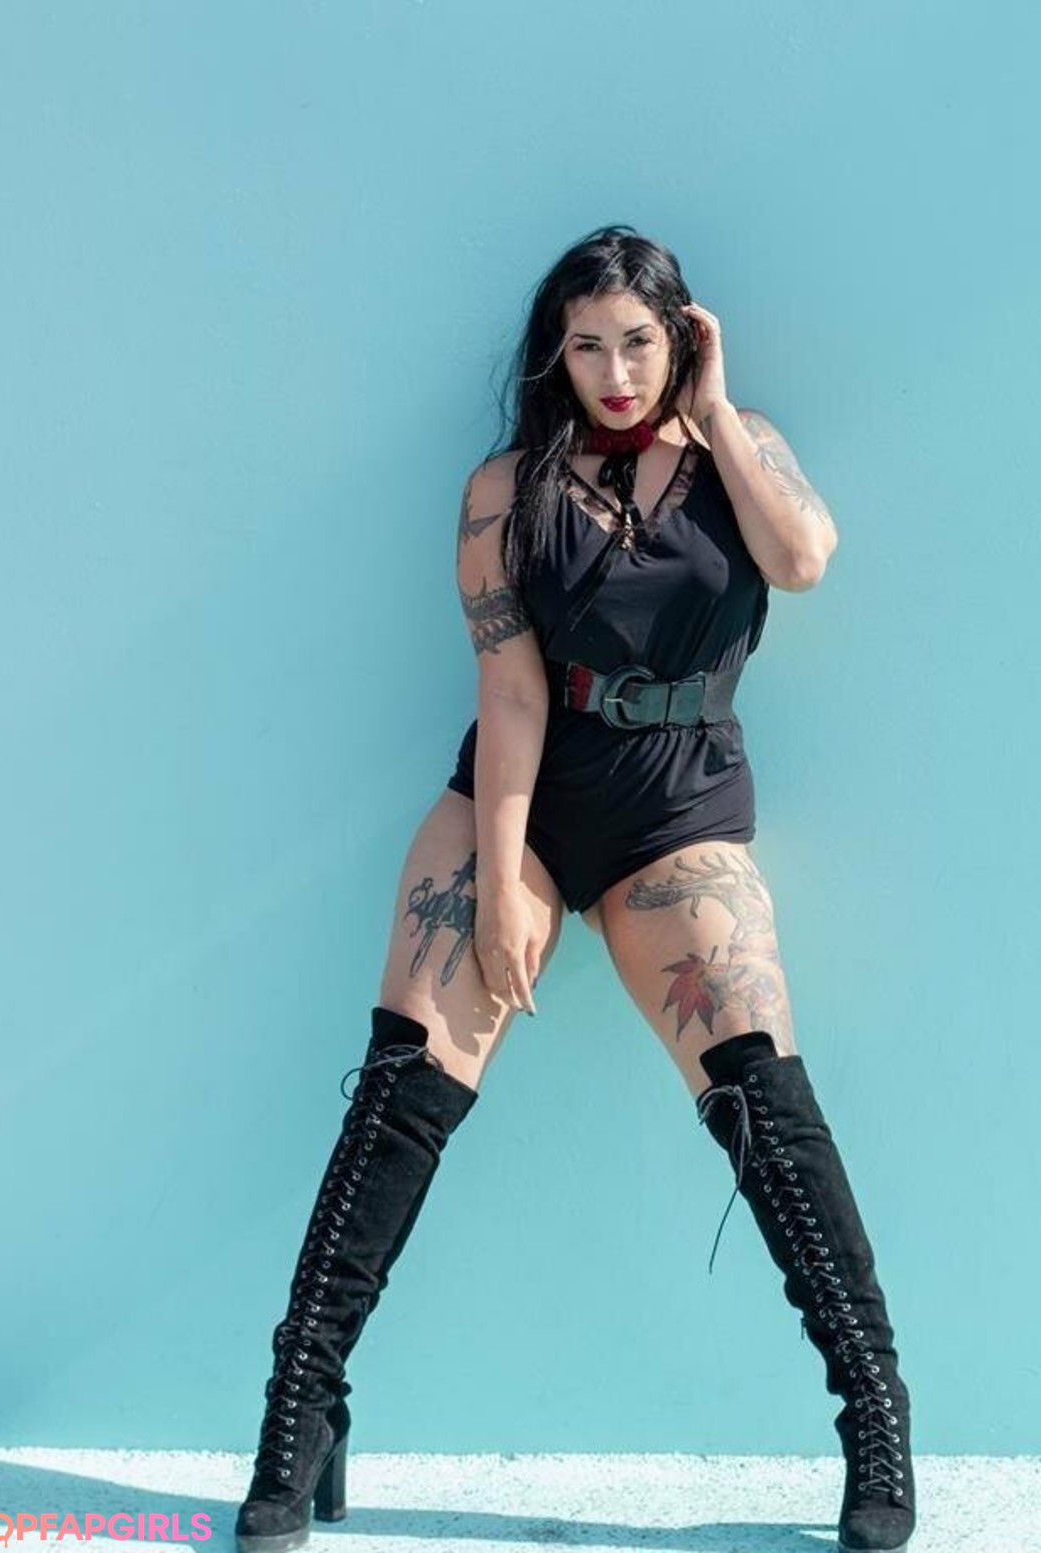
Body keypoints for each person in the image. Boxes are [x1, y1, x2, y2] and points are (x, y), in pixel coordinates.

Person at [234, 224, 915, 1553]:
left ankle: (877, 1416)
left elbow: (804, 559)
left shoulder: (740, 446)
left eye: (640, 344)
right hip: (530, 795)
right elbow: (510, 692)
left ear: (682, 337)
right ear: (556, 350)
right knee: (404, 1075)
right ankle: (300, 1409)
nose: (615, 373)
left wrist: (717, 410)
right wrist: (499, 884)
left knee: (762, 1085)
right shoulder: (505, 490)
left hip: (681, 800)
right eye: (588, 345)